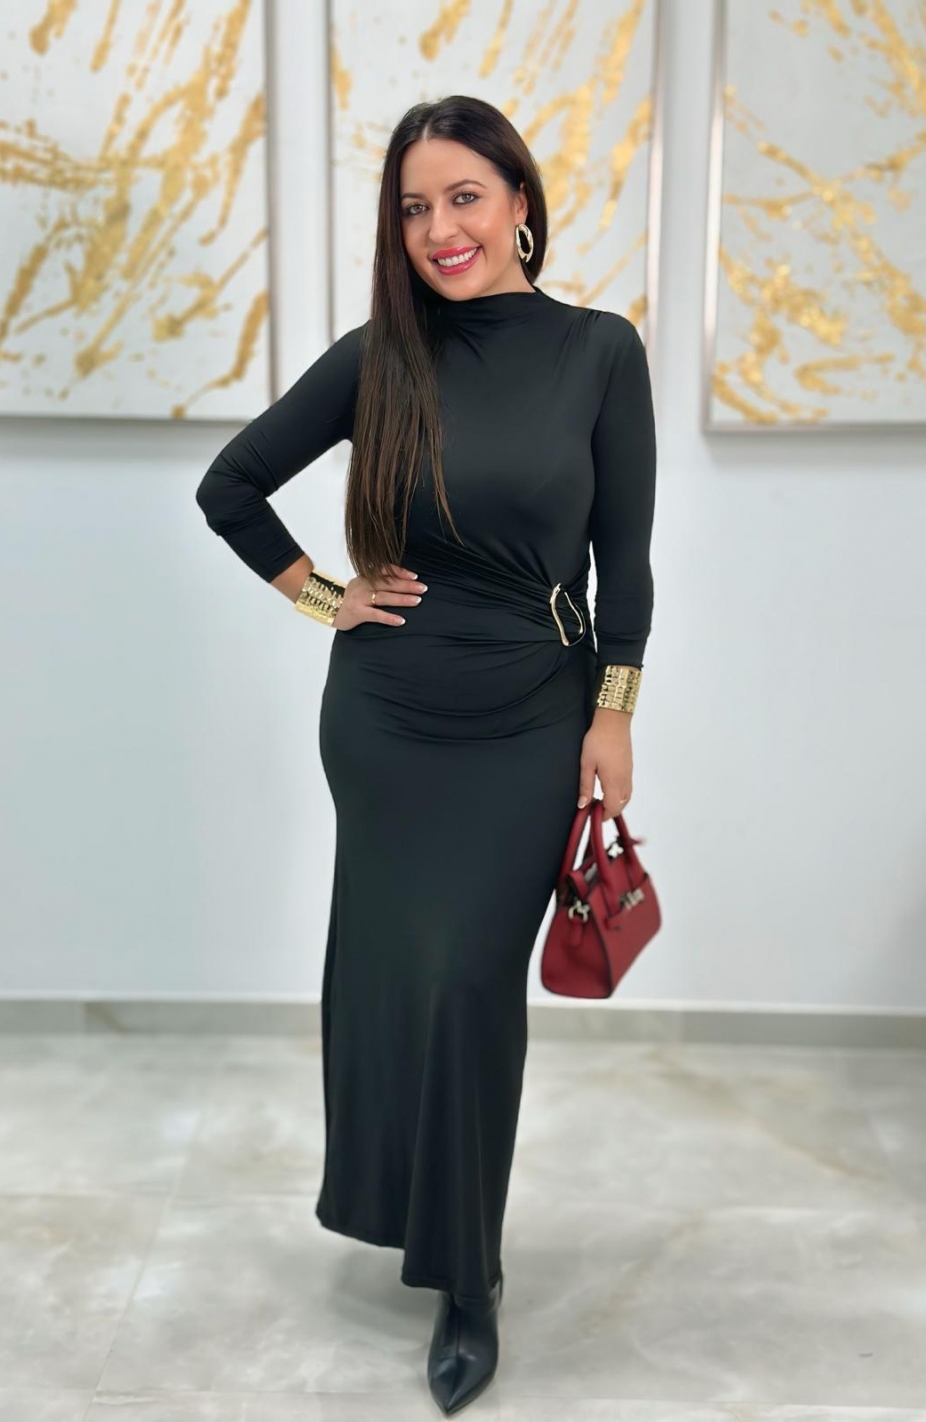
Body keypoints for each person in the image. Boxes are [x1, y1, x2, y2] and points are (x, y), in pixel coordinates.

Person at [195, 94, 656, 1416]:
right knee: (405, 978)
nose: (440, 228)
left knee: (470, 990)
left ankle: (467, 1275)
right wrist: (319, 596)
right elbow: (230, 486)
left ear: (519, 204)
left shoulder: (598, 353)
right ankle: (430, 1227)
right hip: (389, 719)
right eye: (413, 206)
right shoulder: (378, 359)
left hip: (532, 715)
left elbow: (624, 561)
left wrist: (614, 711)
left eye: (464, 196)